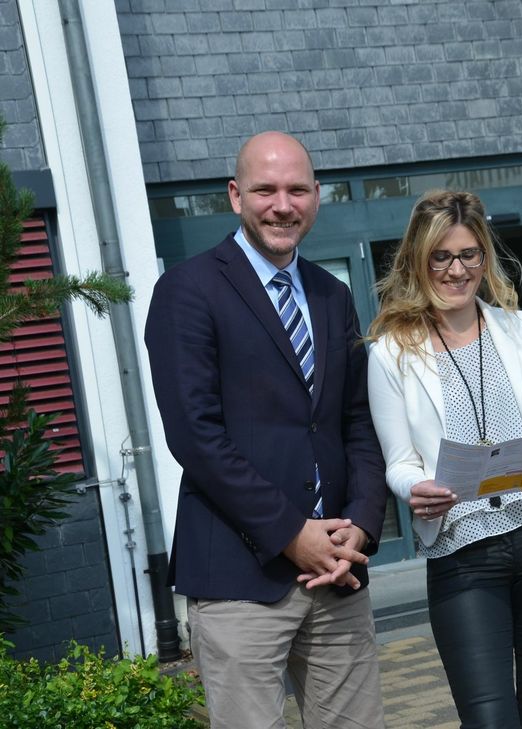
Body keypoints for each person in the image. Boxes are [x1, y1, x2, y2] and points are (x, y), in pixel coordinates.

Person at [144, 131, 388, 729]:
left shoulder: (332, 295)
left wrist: (360, 524)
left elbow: (357, 421)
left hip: (337, 572)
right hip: (238, 577)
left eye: (297, 189)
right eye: (266, 190)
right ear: (235, 196)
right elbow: (196, 437)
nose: (283, 204)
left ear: (316, 197)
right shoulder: (187, 290)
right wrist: (289, 533)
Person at [366, 190, 522, 728]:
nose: (457, 269)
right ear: (418, 262)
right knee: (489, 720)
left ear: (484, 258)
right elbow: (398, 461)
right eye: (441, 256)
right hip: (463, 552)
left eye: (469, 254)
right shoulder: (391, 352)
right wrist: (414, 487)